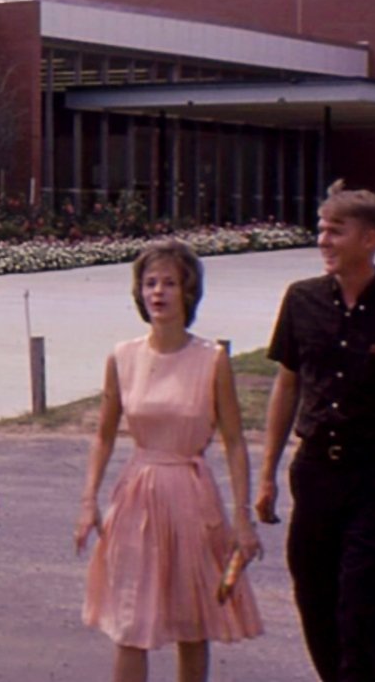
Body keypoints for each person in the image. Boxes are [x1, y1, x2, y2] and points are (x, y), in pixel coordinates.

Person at [256, 180, 375, 682]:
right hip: (315, 471)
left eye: (335, 231)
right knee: (313, 595)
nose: (323, 240)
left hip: (374, 478)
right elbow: (286, 386)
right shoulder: (300, 300)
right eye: (321, 229)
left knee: (363, 605)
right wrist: (267, 475)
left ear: (370, 238)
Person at [76, 240, 263, 682]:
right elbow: (103, 435)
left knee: (192, 620)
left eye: (169, 283)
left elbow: (234, 441)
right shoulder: (122, 356)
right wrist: (88, 501)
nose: (158, 292)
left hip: (192, 496)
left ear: (188, 292)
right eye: (150, 283)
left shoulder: (212, 359)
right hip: (137, 495)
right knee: (129, 620)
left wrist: (242, 517)